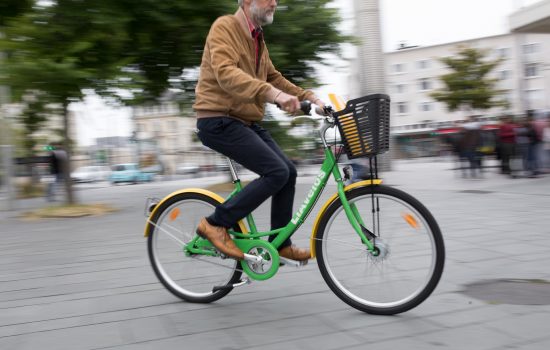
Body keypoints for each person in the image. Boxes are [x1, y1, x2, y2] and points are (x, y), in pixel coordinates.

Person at [193, 0, 326, 261]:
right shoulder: (225, 27)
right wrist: (273, 95)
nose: (274, 2)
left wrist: (312, 99)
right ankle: (215, 224)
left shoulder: (257, 38)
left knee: (287, 172)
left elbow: (273, 77)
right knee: (275, 171)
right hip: (217, 119)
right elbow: (226, 73)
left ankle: (280, 243)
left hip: (244, 121)